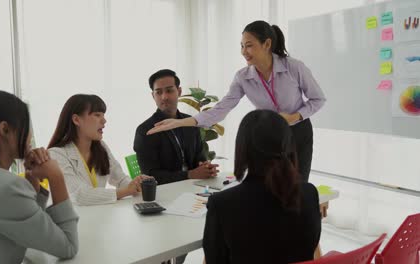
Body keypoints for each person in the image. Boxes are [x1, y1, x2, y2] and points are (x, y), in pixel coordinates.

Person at [147, 21, 326, 182]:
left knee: (298, 185)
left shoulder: (293, 67)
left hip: (298, 132)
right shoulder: (243, 77)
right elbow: (221, 109)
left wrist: (294, 117)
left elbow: (318, 99)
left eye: (249, 46)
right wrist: (180, 122)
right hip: (269, 136)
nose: (243, 52)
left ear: (267, 44)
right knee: (269, 186)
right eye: (241, 46)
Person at [0, 89, 78, 264]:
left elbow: (28, 226)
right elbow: (68, 246)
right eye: (27, 127)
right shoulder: (5, 187)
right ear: (4, 129)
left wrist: (32, 180)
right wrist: (56, 177)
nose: (31, 137)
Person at [203, 109, 321, 264]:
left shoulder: (222, 204)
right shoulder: (309, 193)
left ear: (242, 148)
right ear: (288, 144)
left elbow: (215, 260)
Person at [48, 94, 151, 206]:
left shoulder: (101, 147)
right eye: (97, 115)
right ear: (76, 120)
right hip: (73, 221)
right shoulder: (56, 154)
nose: (104, 121)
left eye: (103, 115)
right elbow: (80, 195)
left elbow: (120, 180)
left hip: (99, 217)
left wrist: (136, 184)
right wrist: (125, 191)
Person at [134, 69, 219, 185]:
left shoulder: (190, 122)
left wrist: (206, 168)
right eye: (158, 92)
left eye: (169, 90)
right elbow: (150, 174)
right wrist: (189, 175)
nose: (164, 97)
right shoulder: (145, 130)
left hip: (193, 187)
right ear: (153, 95)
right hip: (164, 193)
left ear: (179, 91)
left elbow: (200, 159)